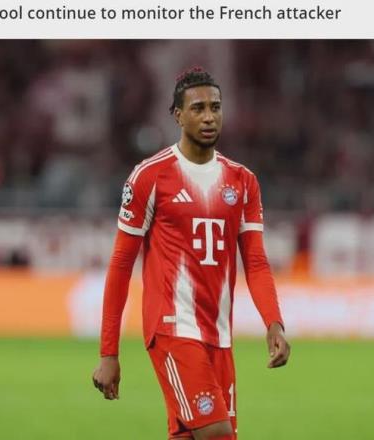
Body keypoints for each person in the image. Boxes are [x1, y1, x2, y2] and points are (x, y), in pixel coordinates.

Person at [92, 67, 291, 440]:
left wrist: (274, 323)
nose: (209, 116)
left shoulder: (242, 181)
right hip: (172, 328)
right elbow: (120, 265)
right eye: (198, 108)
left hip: (219, 335)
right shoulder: (150, 176)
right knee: (218, 434)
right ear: (178, 115)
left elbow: (256, 262)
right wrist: (109, 353)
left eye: (215, 107)